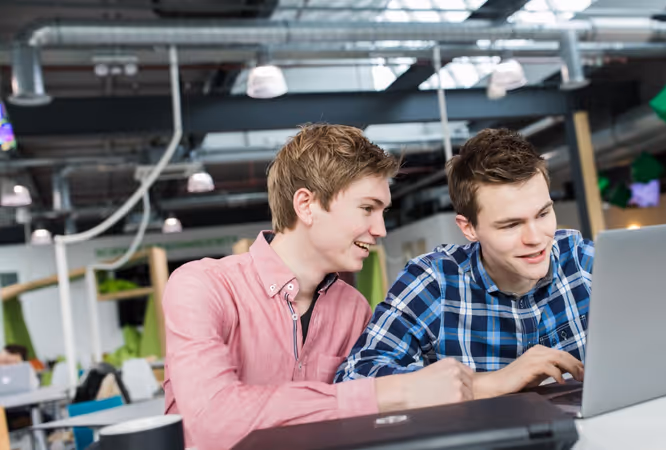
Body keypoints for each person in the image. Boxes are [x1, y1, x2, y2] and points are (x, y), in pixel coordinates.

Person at [162, 124, 474, 450]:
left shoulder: (353, 308)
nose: (380, 229)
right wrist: (393, 393)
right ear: (306, 205)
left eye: (383, 212)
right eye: (367, 208)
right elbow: (214, 422)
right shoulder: (202, 286)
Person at [336, 129, 590, 399]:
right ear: (468, 228)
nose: (536, 238)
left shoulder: (584, 261)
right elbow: (354, 379)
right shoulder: (434, 283)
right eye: (511, 225)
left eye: (543, 214)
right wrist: (494, 382)